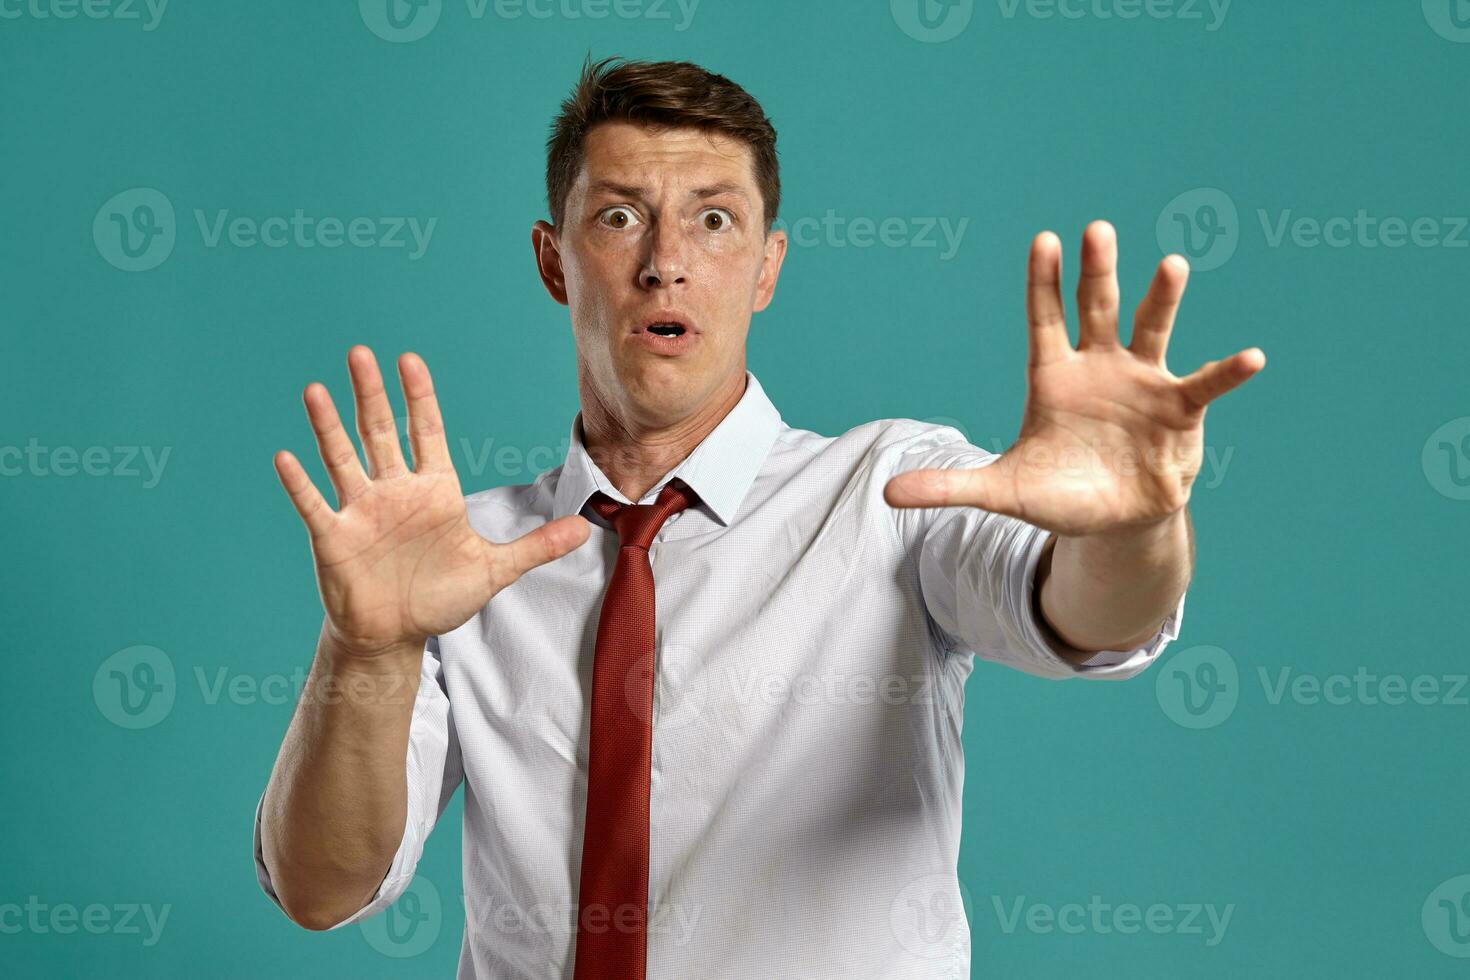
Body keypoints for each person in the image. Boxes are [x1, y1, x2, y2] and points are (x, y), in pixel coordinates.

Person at [252, 56, 1264, 979]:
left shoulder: (894, 491)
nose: (665, 262)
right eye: (618, 217)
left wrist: (1130, 527)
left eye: (714, 219)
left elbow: (1092, 616)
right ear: (553, 260)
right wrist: (366, 644)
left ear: (768, 266)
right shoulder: (461, 560)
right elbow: (322, 886)